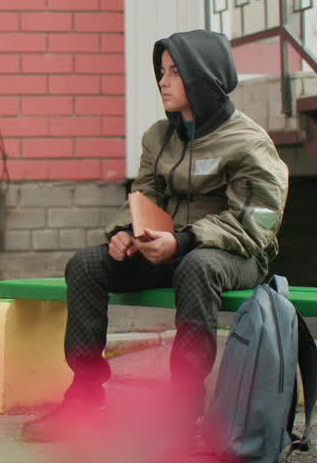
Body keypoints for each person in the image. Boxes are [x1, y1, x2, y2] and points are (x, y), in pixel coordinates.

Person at [22, 29, 290, 442]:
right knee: (87, 265)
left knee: (198, 266)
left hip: (233, 253)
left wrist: (182, 243)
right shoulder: (158, 137)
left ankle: (183, 408)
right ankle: (85, 396)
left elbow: (257, 222)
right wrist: (127, 234)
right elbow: (146, 195)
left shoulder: (249, 143)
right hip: (167, 249)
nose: (163, 81)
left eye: (174, 72)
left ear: (203, 78)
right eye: (160, 71)